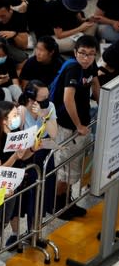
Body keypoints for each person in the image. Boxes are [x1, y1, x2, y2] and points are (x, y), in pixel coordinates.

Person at [51, 35, 100, 221]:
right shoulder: (73, 68)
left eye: (91, 54)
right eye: (82, 54)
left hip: (82, 123)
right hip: (67, 127)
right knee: (65, 170)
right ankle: (59, 206)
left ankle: (68, 201)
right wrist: (78, 125)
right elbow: (67, 99)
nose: (86, 58)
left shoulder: (90, 66)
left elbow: (95, 85)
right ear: (75, 52)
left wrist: (104, 107)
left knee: (74, 167)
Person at [0, 100, 33, 266]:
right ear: (3, 119)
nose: (17, 118)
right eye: (14, 115)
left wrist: (31, 148)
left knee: (5, 219)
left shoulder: (17, 133)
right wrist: (15, 155)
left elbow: (25, 156)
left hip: (13, 185)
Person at [6, 80, 58, 247]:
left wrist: (43, 114)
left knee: (39, 196)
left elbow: (53, 133)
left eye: (46, 98)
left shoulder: (49, 107)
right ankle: (15, 234)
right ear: (30, 99)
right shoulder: (19, 112)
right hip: (24, 157)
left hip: (43, 156)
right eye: (41, 99)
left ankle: (33, 231)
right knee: (19, 198)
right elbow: (15, 140)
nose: (45, 101)